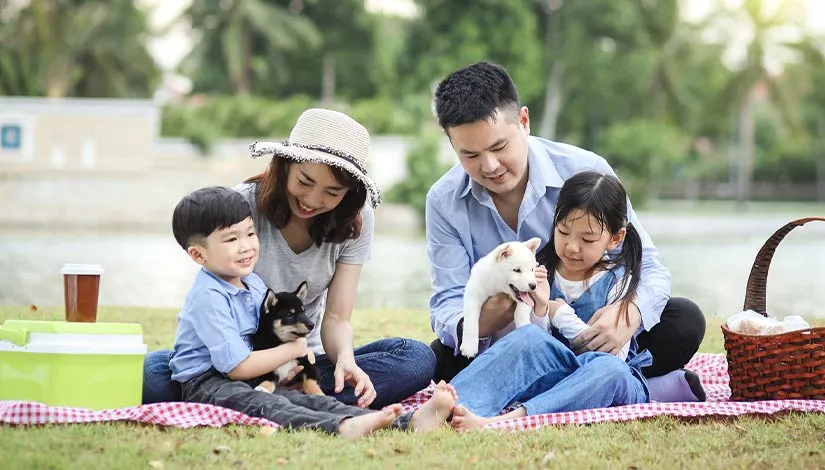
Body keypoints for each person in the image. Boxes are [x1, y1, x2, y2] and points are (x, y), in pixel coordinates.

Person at [425, 61, 706, 387]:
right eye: (470, 155)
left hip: (593, 331)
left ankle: (579, 382)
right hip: (511, 337)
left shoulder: (586, 170)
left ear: (524, 121)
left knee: (683, 321)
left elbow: (649, 268)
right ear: (452, 146)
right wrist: (484, 319)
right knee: (445, 358)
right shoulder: (444, 201)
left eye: (499, 146)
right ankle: (633, 386)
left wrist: (626, 315)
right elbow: (448, 300)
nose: (490, 166)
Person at [143, 109, 437, 409]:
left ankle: (282, 396)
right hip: (235, 362)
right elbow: (215, 302)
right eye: (305, 181)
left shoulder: (356, 219)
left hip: (300, 362)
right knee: (153, 374)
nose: (311, 200)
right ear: (285, 166)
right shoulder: (239, 208)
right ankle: (277, 398)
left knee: (416, 359)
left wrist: (345, 361)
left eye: (332, 192)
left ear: (349, 193)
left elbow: (337, 318)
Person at [167, 186, 456, 438]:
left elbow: (267, 336)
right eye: (231, 240)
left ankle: (409, 421)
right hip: (206, 382)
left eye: (251, 234)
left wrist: (297, 359)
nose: (246, 247)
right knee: (270, 405)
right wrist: (293, 349)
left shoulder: (251, 282)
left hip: (252, 374)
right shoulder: (209, 296)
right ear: (198, 255)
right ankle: (341, 427)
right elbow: (236, 367)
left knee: (308, 398)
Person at [448, 171, 705, 430]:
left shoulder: (618, 281)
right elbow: (532, 343)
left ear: (615, 238)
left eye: (587, 239)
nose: (572, 247)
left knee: (608, 371)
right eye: (563, 231)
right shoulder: (539, 271)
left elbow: (612, 354)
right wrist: (539, 308)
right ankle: (447, 405)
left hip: (603, 377)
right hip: (558, 374)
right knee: (524, 339)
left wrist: (560, 315)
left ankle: (504, 422)